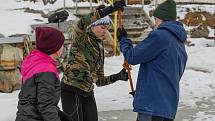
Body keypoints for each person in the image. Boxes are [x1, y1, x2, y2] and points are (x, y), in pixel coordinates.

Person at [117, 0, 188, 121]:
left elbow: (132, 57)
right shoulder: (179, 43)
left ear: (161, 18)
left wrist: (123, 40)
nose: (155, 23)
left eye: (156, 18)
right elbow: (165, 74)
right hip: (167, 107)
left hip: (152, 106)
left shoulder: (160, 36)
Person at [61, 1, 128, 121]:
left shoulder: (99, 47)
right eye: (102, 27)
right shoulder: (81, 37)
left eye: (106, 28)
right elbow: (82, 23)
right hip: (71, 90)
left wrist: (117, 77)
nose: (105, 31)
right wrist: (109, 9)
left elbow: (99, 80)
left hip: (88, 91)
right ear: (92, 26)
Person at [15, 27, 71, 121]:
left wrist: (60, 114)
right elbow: (45, 105)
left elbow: (33, 98)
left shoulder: (34, 61)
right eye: (61, 45)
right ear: (55, 48)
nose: (63, 48)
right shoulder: (46, 70)